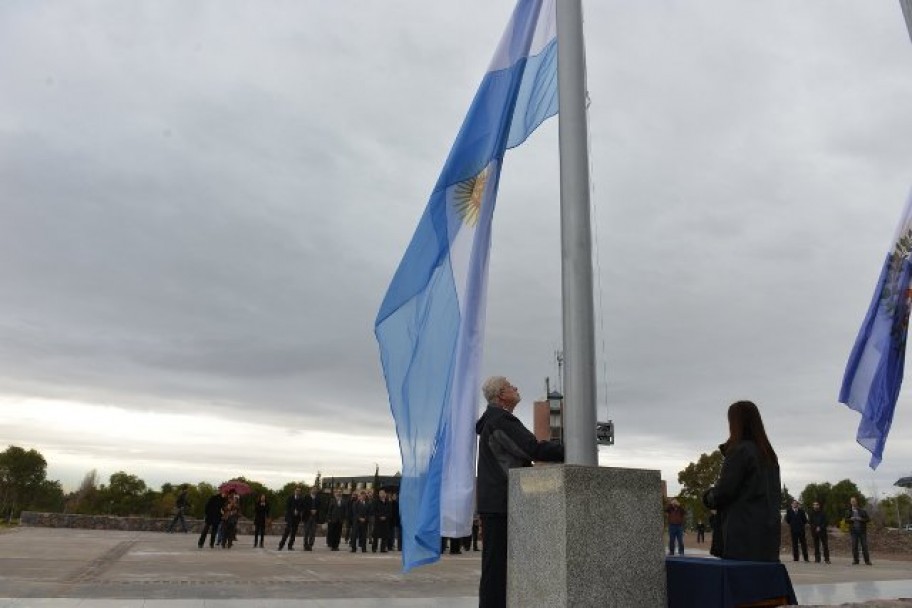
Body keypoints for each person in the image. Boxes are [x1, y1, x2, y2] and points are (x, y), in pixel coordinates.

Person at [476, 376, 564, 608]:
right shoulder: (501, 419)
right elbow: (532, 448)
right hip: (503, 503)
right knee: (497, 569)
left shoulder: (491, 420)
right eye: (511, 386)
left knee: (496, 566)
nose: (516, 388)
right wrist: (574, 446)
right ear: (501, 395)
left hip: (497, 502)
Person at [702, 400, 781, 562]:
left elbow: (725, 491)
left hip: (742, 537)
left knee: (739, 585)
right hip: (768, 536)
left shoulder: (740, 451)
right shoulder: (769, 455)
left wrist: (708, 496)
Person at [844, 496, 872, 565]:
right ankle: (856, 561)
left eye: (854, 501)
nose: (853, 502)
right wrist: (851, 519)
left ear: (857, 502)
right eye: (852, 501)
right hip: (853, 532)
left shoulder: (862, 511)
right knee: (854, 546)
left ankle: (867, 561)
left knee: (864, 546)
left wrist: (861, 519)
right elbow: (846, 520)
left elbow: (868, 519)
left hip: (862, 531)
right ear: (850, 502)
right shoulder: (848, 511)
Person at [277, 486, 305, 551]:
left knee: (294, 533)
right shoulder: (290, 498)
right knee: (287, 531)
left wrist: (298, 511)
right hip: (290, 517)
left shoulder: (301, 499)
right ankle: (281, 545)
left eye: (299, 491)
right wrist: (293, 511)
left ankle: (290, 546)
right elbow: (287, 507)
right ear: (294, 491)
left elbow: (303, 507)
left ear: (300, 492)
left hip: (297, 518)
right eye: (297, 490)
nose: (298, 492)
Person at [372, 488, 392, 553]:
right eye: (381, 493)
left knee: (385, 535)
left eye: (383, 493)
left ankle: (382, 548)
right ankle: (374, 548)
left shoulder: (388, 502)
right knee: (376, 535)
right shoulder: (375, 501)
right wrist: (380, 516)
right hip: (378, 521)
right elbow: (374, 511)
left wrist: (385, 517)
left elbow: (390, 512)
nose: (382, 494)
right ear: (379, 494)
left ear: (385, 494)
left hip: (385, 521)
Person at [302, 486, 321, 551]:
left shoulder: (318, 498)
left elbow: (320, 507)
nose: (314, 491)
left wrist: (316, 510)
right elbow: (304, 506)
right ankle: (305, 545)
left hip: (315, 517)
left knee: (313, 532)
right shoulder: (306, 497)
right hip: (307, 517)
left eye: (316, 490)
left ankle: (310, 545)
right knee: (306, 532)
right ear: (310, 490)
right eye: (313, 489)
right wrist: (310, 510)